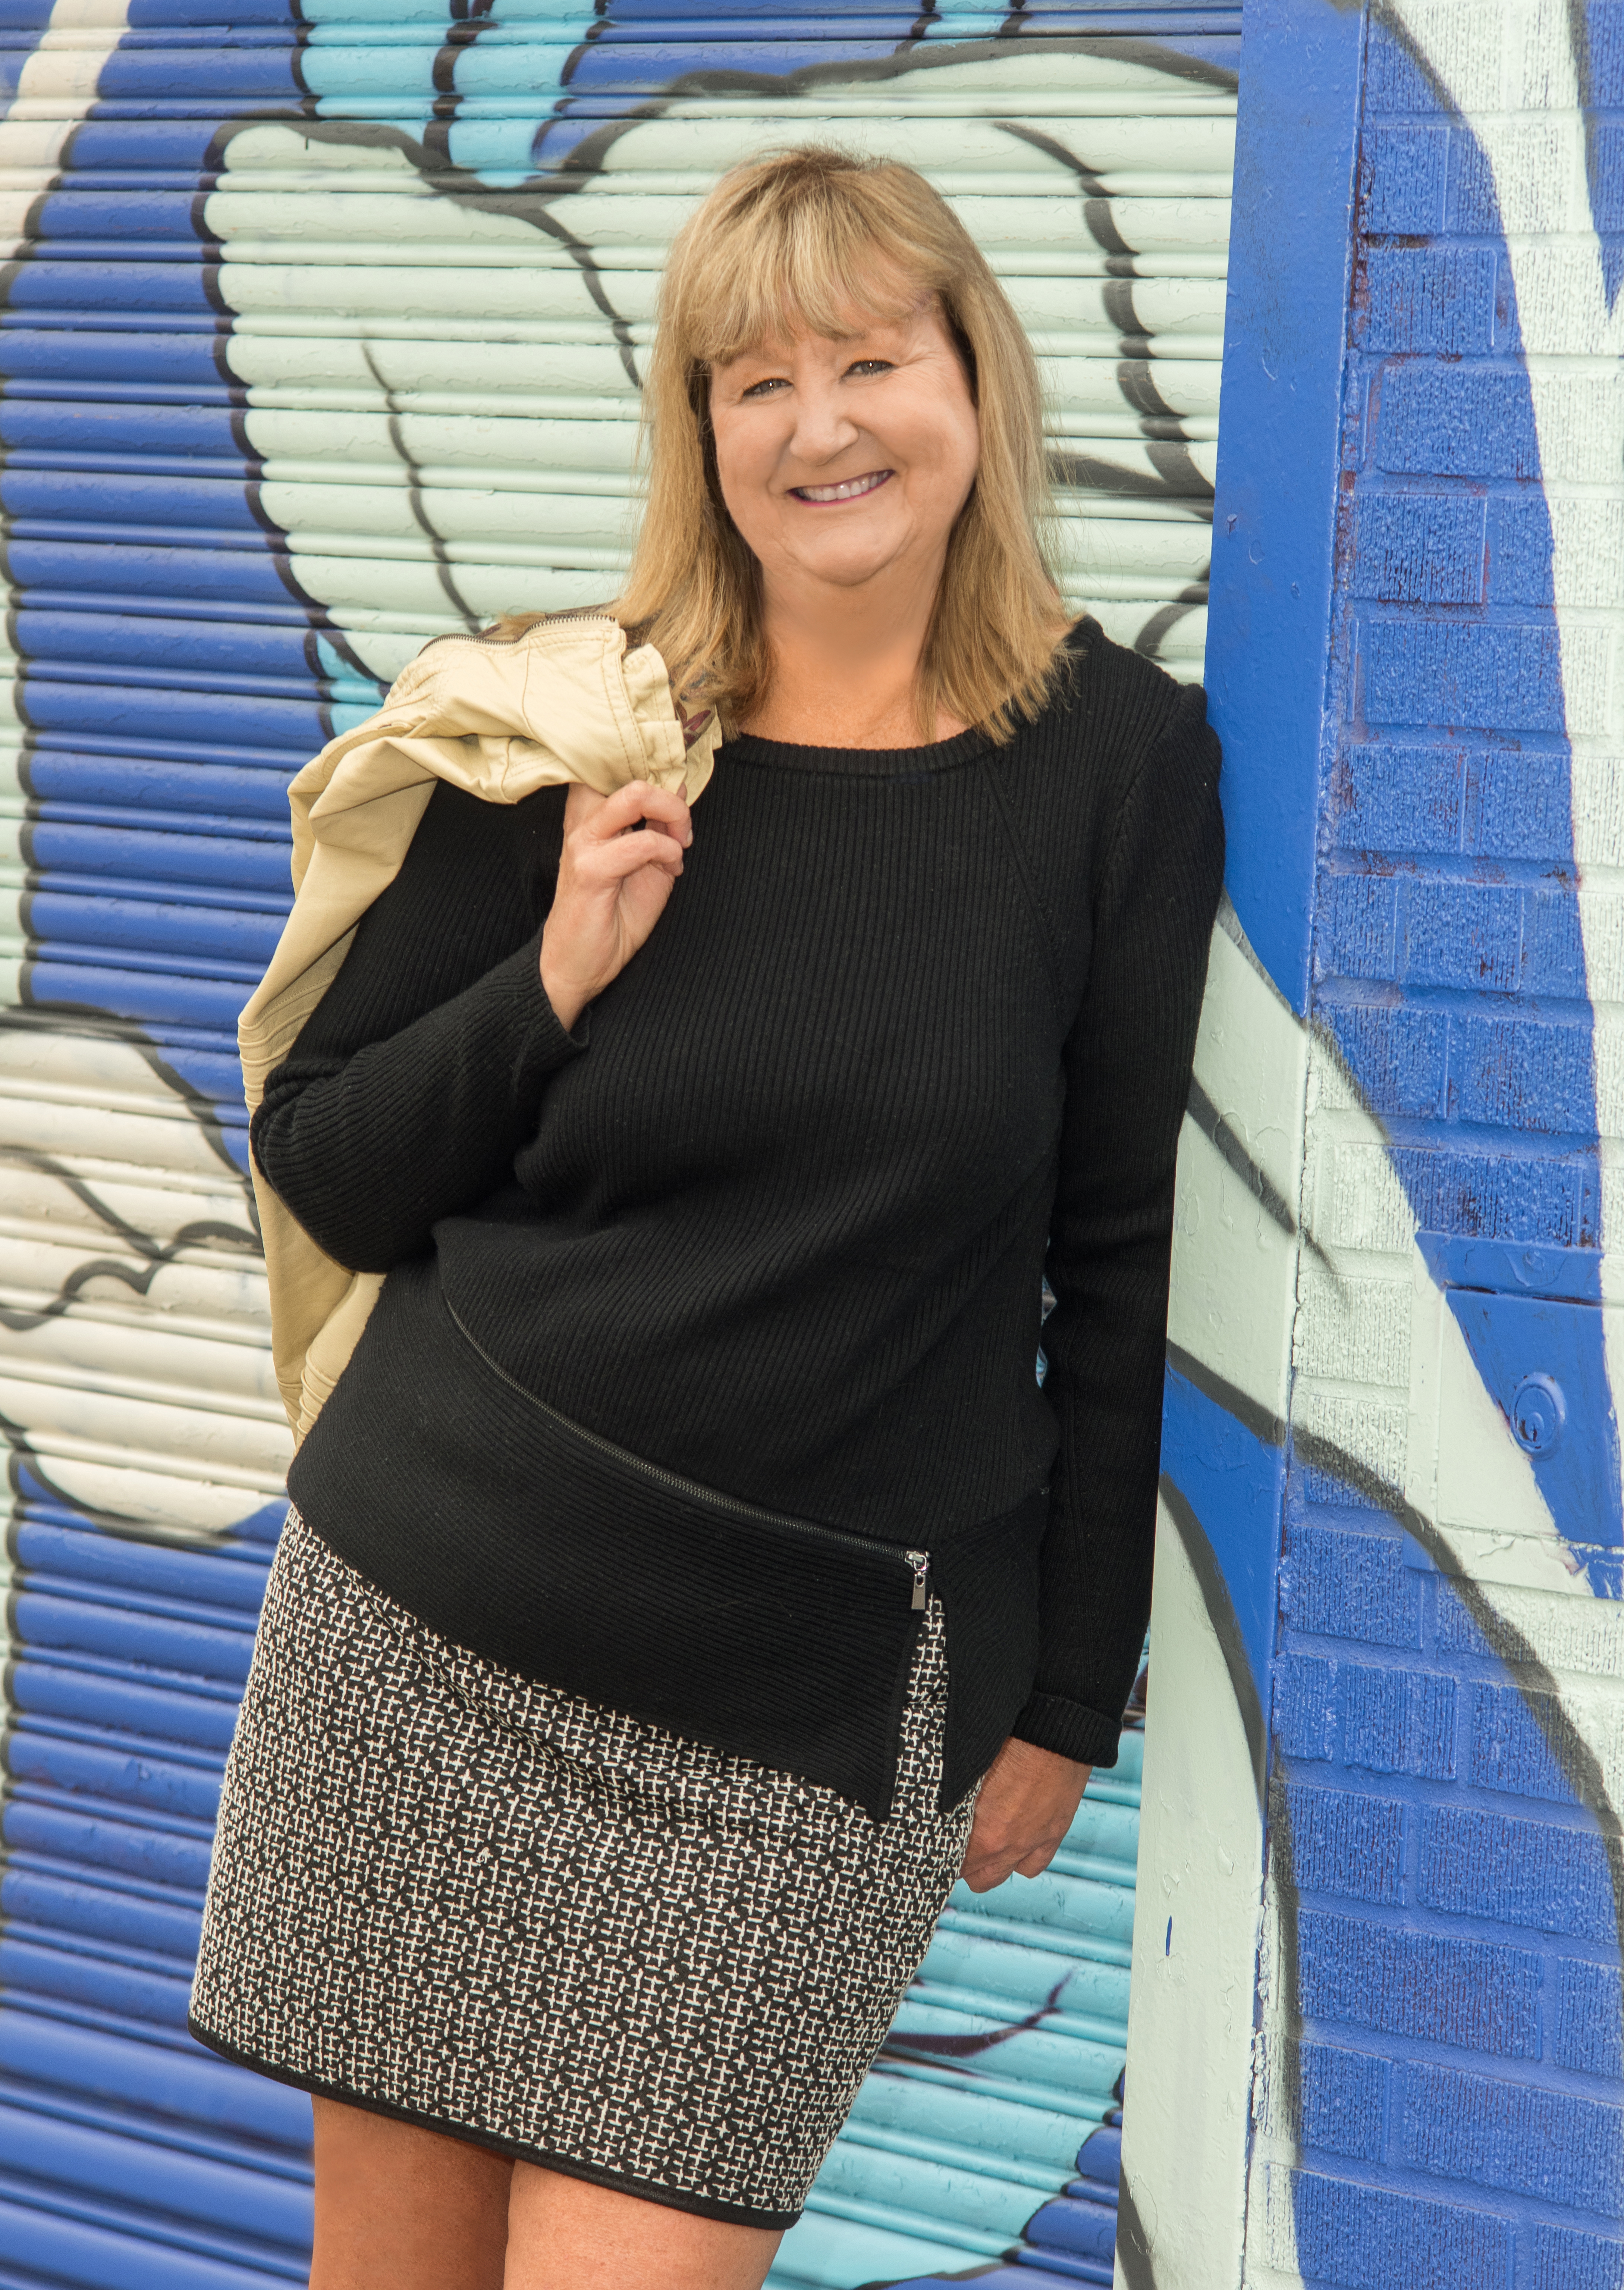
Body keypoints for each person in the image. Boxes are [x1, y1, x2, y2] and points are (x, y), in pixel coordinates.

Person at [189, 147, 1223, 2290]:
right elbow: (332, 1164)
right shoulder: (584, 724)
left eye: (870, 360)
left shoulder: (1118, 766)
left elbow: (1114, 1252)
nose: (823, 425)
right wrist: (560, 966)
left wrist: (1069, 1696)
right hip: (427, 1633)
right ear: (700, 431)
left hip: (803, 1715)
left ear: (974, 384)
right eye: (758, 381)